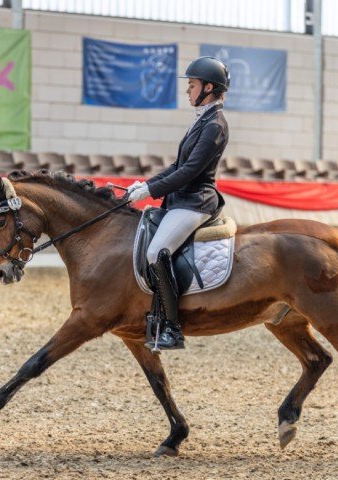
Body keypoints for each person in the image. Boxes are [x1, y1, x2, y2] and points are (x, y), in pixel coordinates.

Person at [127, 56, 230, 351]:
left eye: (192, 85)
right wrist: (146, 184)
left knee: (157, 252)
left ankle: (172, 328)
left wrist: (150, 191)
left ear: (209, 87)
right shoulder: (203, 120)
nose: (188, 91)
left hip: (195, 202)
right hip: (181, 199)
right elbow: (177, 165)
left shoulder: (215, 125)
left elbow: (189, 172)